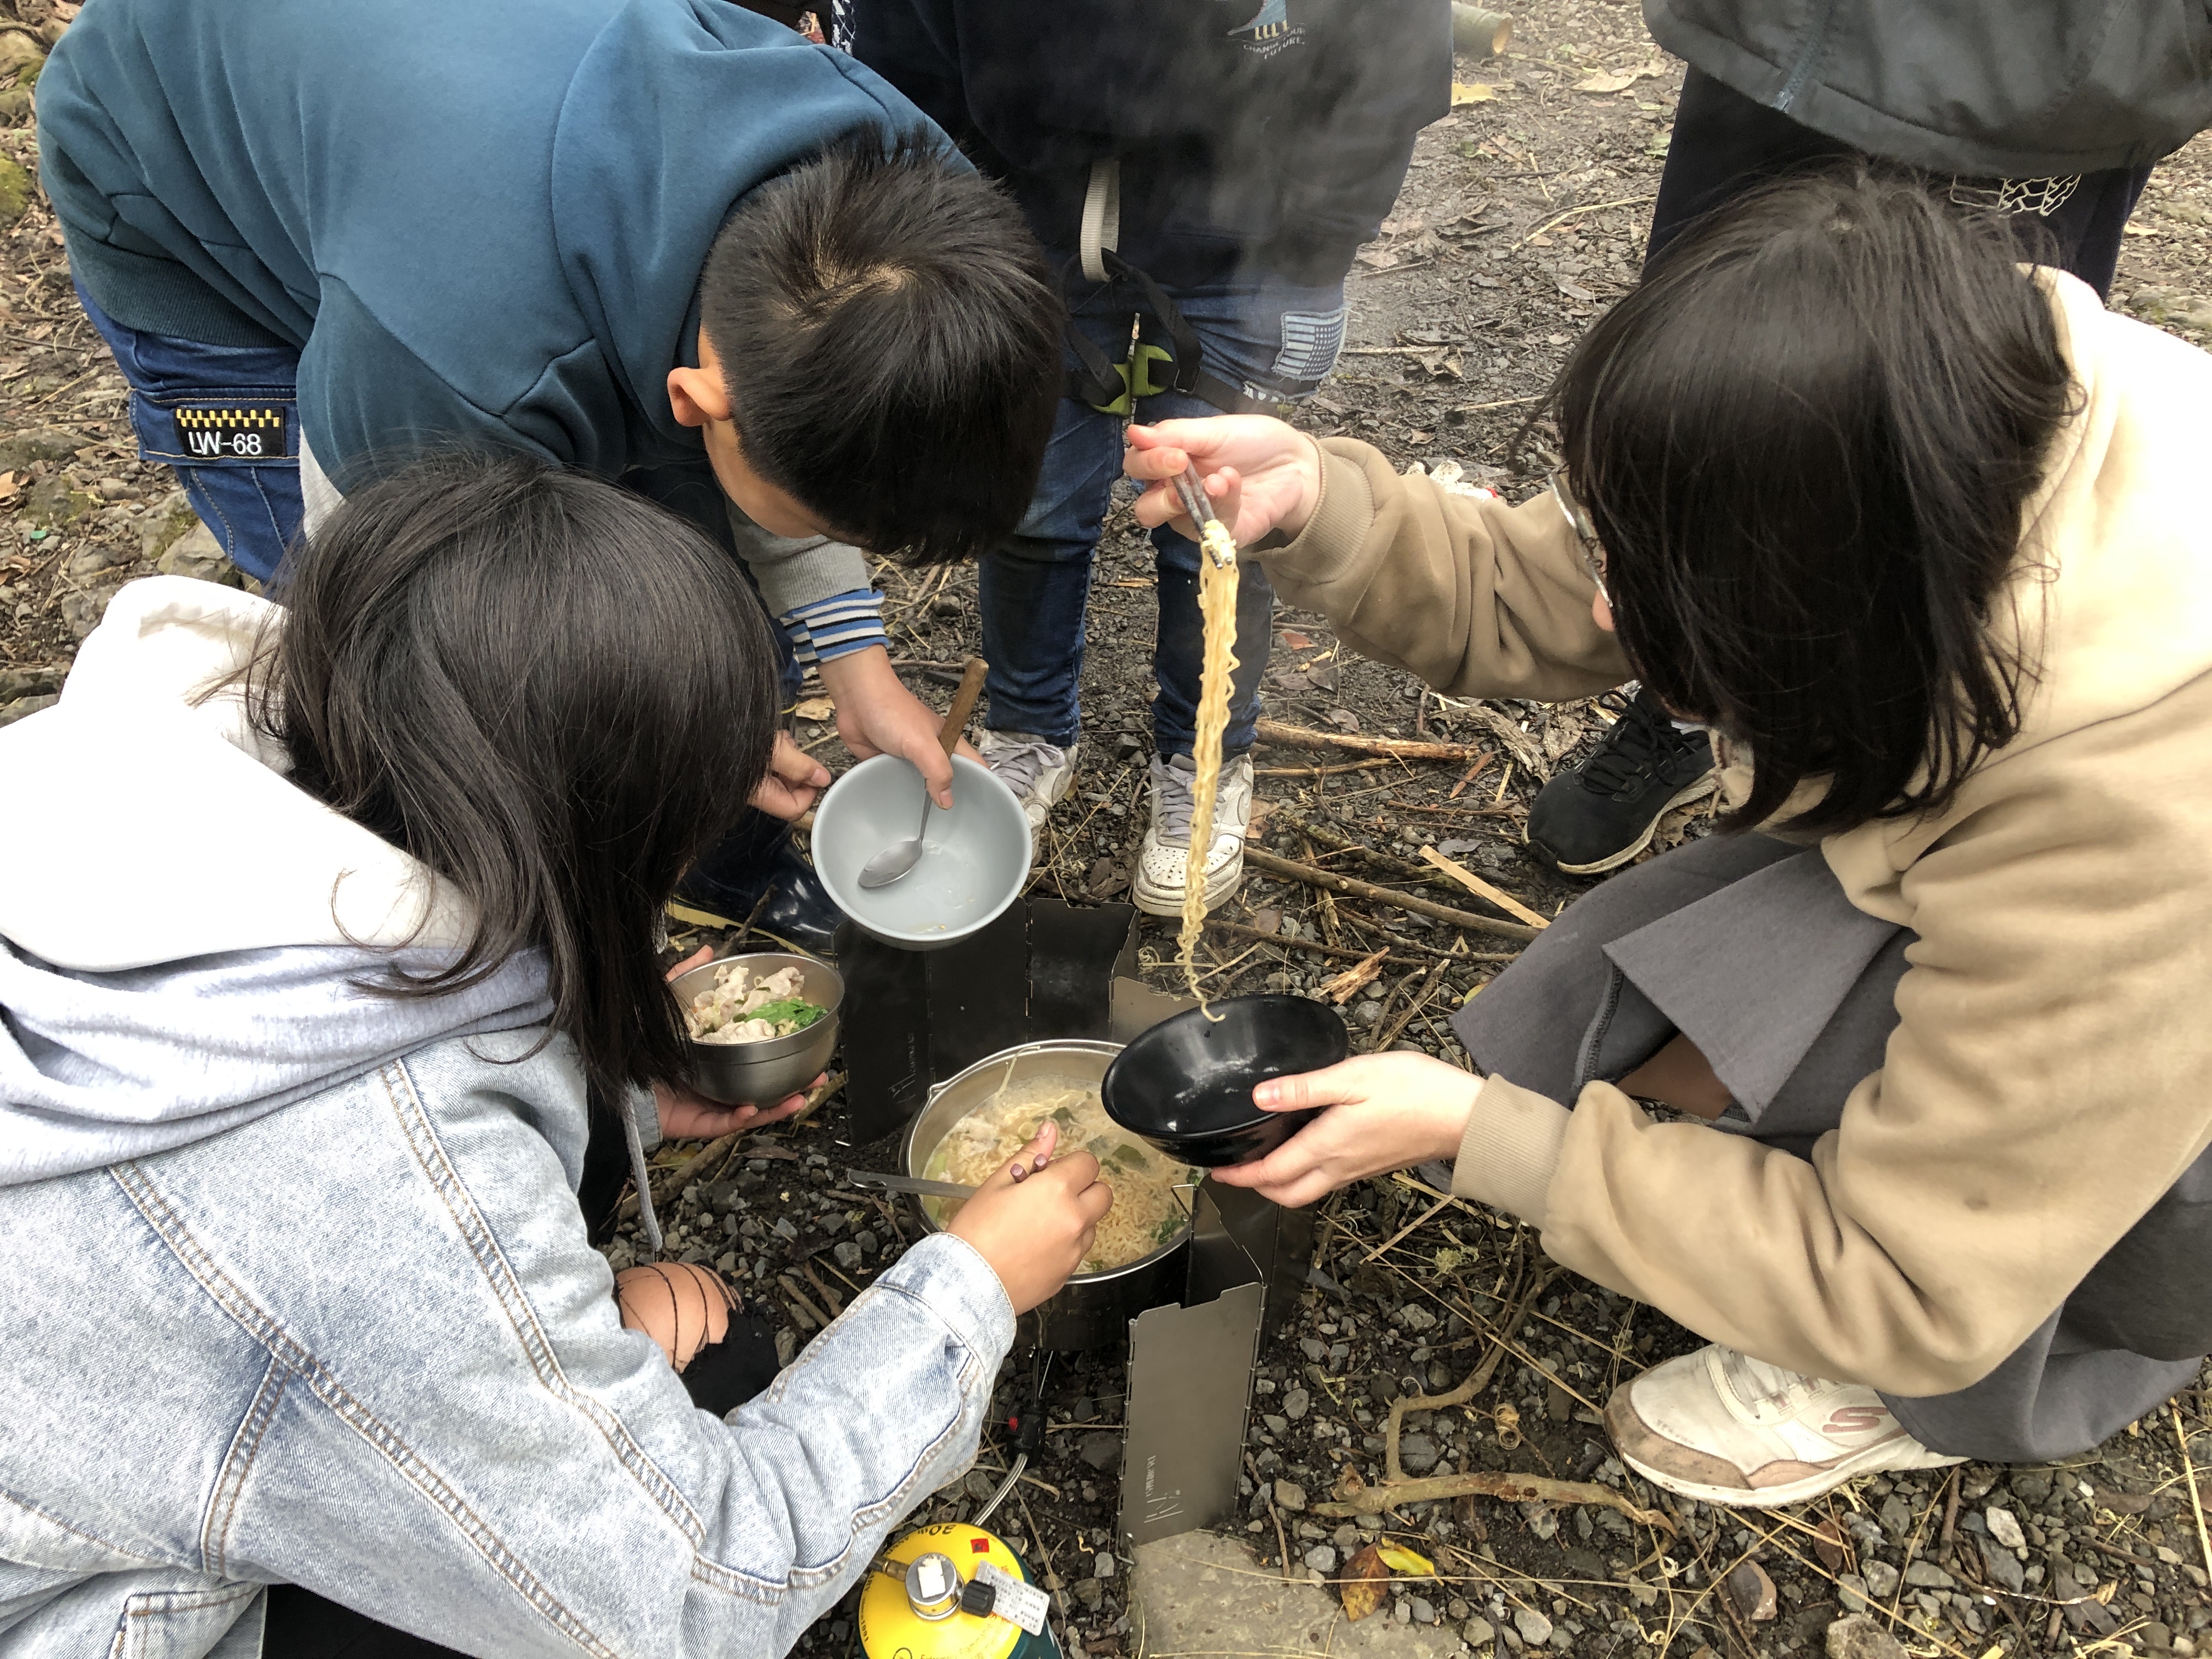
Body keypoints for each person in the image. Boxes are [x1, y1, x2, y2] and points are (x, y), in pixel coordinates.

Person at [1120, 171, 2212, 1506]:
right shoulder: (1882, 436)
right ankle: (1805, 1153)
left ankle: (1955, 1387)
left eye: (1667, 598)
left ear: (1843, 609)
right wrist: (1325, 507)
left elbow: (1913, 1280)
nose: (1607, 608)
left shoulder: (2140, 805)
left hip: (2167, 1006)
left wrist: (1494, 1136)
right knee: (1725, 1003)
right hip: (2036, 873)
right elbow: (1549, 594)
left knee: (2003, 1269)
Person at [0, 454, 1110, 1654]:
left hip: (113, 1461)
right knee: (716, 1370)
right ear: (587, 843)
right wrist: (972, 1288)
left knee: (691, 1333)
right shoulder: (369, 1207)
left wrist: (609, 1098)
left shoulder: (144, 781)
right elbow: (695, 1595)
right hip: (83, 1613)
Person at [35, 0, 1064, 952]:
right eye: (828, 520)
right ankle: (453, 965)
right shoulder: (462, 374)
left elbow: (818, 427)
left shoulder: (909, 212)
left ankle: (721, 883)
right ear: (698, 400)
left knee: (679, 600)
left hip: (423, 156)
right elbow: (396, 631)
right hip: (177, 192)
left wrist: (856, 668)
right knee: (357, 640)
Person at [1522, 0, 2212, 878]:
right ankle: (1698, 702)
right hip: (1785, 38)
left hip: (2039, 68)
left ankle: (1892, 762)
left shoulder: (2124, 790)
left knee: (1936, 446)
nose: (1600, 610)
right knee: (1706, 394)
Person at [850, 0, 1450, 916]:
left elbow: (1393, 50)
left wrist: (1320, 242)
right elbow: (905, 59)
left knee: (1216, 521)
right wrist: (949, 233)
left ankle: (1204, 754)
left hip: (1250, 225)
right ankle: (1029, 731)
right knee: (1033, 499)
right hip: (1023, 216)